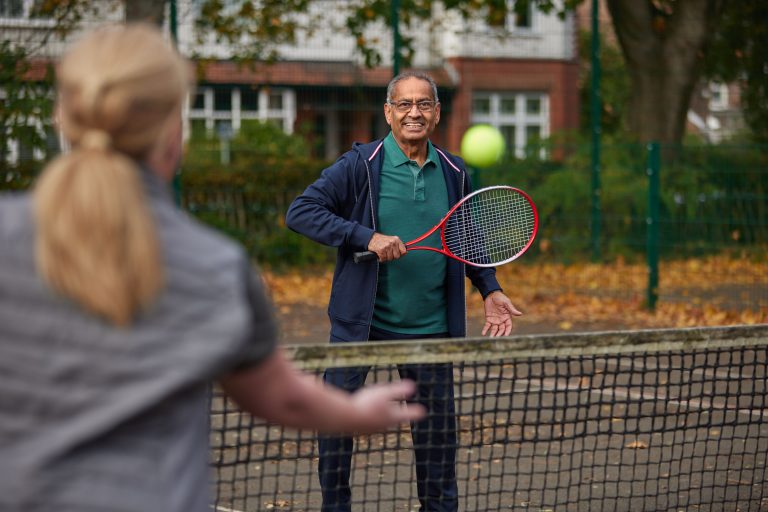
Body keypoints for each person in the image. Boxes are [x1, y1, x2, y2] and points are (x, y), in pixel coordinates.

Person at [0, 24, 425, 512]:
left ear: (64, 117)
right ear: (173, 133)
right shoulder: (215, 267)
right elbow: (281, 399)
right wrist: (353, 412)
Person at [285, 71, 522, 512]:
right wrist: (365, 236)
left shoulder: (454, 170)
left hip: (430, 327)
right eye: (405, 104)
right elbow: (301, 212)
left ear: (437, 113)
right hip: (361, 325)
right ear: (389, 112)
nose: (415, 112)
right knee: (335, 423)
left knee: (437, 439)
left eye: (424, 104)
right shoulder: (360, 164)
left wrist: (490, 288)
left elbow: (466, 235)